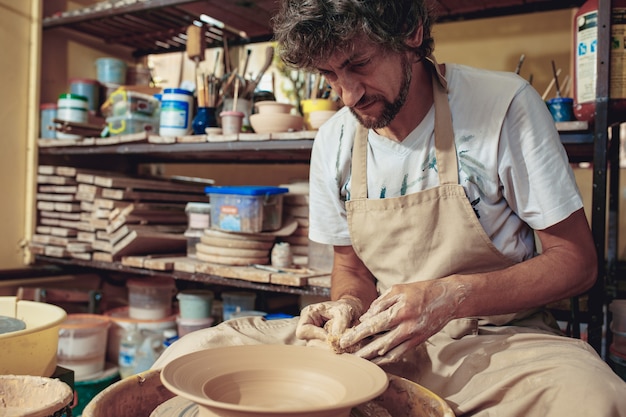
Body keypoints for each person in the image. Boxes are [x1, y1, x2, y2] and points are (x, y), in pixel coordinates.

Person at [153, 0, 626, 415]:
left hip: (495, 344)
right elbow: (350, 268)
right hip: (380, 341)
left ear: (411, 34)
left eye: (358, 63)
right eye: (329, 75)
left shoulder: (503, 107)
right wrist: (347, 305)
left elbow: (577, 264)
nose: (349, 94)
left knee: (595, 398)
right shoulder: (334, 140)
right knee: (190, 354)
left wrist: (450, 297)